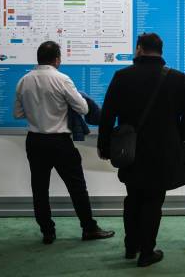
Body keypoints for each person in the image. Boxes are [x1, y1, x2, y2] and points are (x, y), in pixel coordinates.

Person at [98, 33, 185, 267]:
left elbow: (108, 114)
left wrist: (105, 145)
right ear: (160, 51)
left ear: (140, 49)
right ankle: (147, 251)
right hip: (163, 151)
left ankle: (130, 246)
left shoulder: (122, 76)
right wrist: (180, 137)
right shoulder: (176, 78)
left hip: (130, 150)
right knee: (154, 200)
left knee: (132, 197)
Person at [14, 41, 114, 244]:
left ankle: (47, 232)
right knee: (77, 187)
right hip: (60, 142)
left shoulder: (24, 81)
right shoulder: (62, 79)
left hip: (34, 141)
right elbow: (84, 109)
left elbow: (18, 113)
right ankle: (89, 228)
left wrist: (38, 113)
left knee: (39, 189)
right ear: (57, 59)